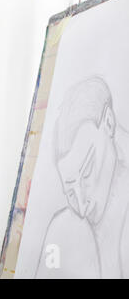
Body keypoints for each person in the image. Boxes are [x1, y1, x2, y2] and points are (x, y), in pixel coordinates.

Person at [36, 77, 129, 278]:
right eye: (70, 192)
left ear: (109, 123)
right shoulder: (64, 228)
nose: (82, 206)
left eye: (86, 173)